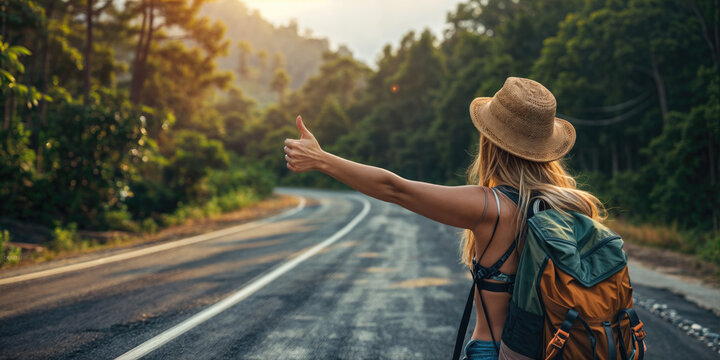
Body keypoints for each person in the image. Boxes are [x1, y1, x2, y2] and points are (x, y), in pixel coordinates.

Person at [282, 77, 606, 360]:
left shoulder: (491, 207)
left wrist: (321, 160)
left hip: (496, 352)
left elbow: (396, 189)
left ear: (490, 141)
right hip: (561, 350)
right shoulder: (576, 205)